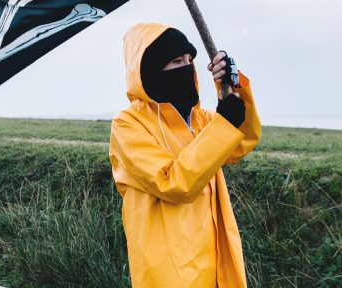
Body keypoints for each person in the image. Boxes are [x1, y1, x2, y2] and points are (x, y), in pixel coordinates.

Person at [108, 23, 261, 288]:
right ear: (150, 70)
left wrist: (235, 87)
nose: (187, 67)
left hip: (215, 258)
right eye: (177, 61)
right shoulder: (129, 125)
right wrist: (224, 124)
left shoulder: (200, 119)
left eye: (190, 60)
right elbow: (173, 183)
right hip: (170, 269)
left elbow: (241, 142)